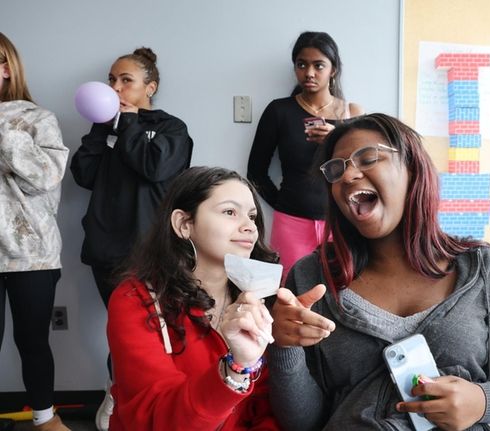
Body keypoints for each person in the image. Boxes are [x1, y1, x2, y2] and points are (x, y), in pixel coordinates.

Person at [268, 114, 490, 430]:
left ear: (412, 168)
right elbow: (302, 423)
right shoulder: (312, 277)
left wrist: (482, 401)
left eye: (367, 158)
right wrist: (284, 347)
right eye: (336, 169)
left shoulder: (483, 268)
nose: (348, 175)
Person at [69, 46, 193, 430]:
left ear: (149, 87)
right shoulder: (101, 127)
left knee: (161, 331)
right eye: (112, 80)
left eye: (126, 80)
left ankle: (163, 403)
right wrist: (101, 129)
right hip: (107, 248)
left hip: (155, 251)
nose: (115, 88)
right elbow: (84, 176)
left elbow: (154, 167)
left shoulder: (172, 128)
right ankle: (118, 392)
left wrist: (130, 124)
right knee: (123, 332)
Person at [106, 166, 280, 430]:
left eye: (253, 216)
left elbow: (265, 407)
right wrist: (235, 368)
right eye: (230, 212)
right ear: (184, 224)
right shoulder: (135, 300)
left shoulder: (255, 299)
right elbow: (158, 420)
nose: (250, 228)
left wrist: (290, 345)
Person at [247, 31, 363, 281]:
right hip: (291, 222)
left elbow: (362, 169)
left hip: (341, 222)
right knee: (290, 293)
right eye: (301, 64)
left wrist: (337, 138)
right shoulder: (279, 110)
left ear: (333, 69)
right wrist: (284, 205)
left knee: (341, 291)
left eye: (318, 65)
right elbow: (255, 172)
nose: (309, 73)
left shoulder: (352, 112)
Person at [0, 32, 71, 431]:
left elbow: (45, 177)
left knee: (32, 342)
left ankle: (45, 418)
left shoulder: (38, 118)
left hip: (32, 255)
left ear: (6, 68)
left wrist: (4, 132)